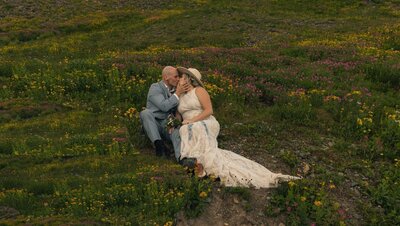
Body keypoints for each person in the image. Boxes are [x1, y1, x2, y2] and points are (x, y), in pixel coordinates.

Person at [176, 67, 300, 188]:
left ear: (190, 79)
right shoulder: (180, 95)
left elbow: (209, 110)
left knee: (197, 128)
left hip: (204, 120)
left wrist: (192, 120)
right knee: (185, 130)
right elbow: (178, 115)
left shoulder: (199, 91)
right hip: (188, 123)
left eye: (183, 77)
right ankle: (194, 159)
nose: (181, 79)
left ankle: (204, 163)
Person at [140, 66, 190, 160]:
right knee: (145, 113)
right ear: (166, 77)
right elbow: (164, 106)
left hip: (167, 123)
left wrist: (174, 122)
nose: (178, 79)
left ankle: (181, 158)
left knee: (176, 131)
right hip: (153, 123)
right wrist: (177, 94)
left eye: (178, 77)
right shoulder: (155, 87)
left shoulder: (177, 89)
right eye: (175, 77)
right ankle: (159, 146)